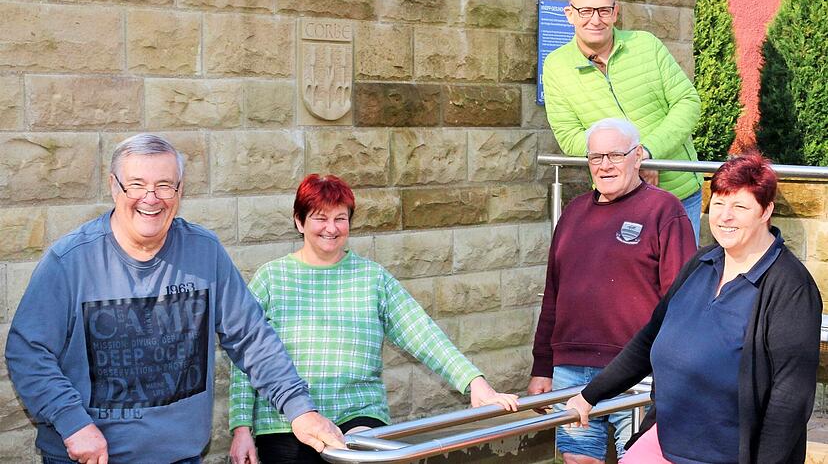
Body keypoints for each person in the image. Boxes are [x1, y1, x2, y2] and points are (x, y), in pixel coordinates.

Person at [4, 134, 346, 464]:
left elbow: (251, 338)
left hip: (180, 456)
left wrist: (300, 410)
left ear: (180, 191)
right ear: (114, 187)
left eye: (165, 185)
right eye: (136, 184)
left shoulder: (204, 251)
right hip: (89, 457)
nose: (151, 198)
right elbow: (27, 351)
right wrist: (72, 422)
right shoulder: (71, 261)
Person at [228, 174, 519, 464]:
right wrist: (242, 429)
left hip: (358, 415)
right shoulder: (271, 278)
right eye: (320, 218)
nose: (331, 228)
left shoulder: (372, 278)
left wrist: (475, 382)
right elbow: (246, 356)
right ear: (299, 221)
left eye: (340, 218)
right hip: (285, 423)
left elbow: (422, 332)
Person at [565, 153, 822, 463]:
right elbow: (649, 339)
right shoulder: (701, 264)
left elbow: (789, 400)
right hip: (665, 441)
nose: (725, 216)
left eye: (740, 206)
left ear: (765, 211)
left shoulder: (790, 288)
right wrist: (590, 394)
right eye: (718, 204)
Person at [528, 118, 696, 464]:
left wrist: (675, 371)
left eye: (615, 155)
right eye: (596, 157)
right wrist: (542, 367)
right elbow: (553, 295)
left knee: (638, 459)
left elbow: (683, 302)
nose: (605, 165)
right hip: (571, 368)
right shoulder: (573, 213)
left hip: (637, 372)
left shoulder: (664, 211)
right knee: (578, 460)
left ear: (637, 157)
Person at [542, 0, 704, 242]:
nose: (595, 20)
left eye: (603, 10)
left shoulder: (646, 45)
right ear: (570, 14)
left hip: (680, 195)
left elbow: (688, 103)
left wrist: (648, 153)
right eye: (585, 11)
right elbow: (569, 138)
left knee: (682, 279)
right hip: (616, 199)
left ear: (615, 12)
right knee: (624, 280)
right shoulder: (556, 67)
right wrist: (627, 160)